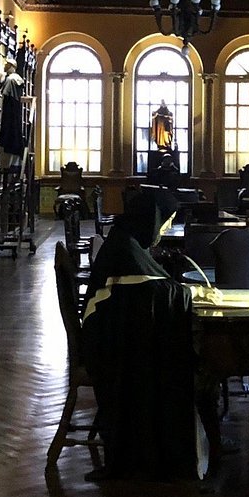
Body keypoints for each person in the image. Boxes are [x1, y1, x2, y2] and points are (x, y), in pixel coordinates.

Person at [80, 190, 209, 480]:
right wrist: (185, 293)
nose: (162, 232)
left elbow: (148, 286)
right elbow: (146, 292)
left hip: (116, 335)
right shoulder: (124, 249)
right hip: (112, 346)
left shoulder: (127, 241)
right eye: (163, 225)